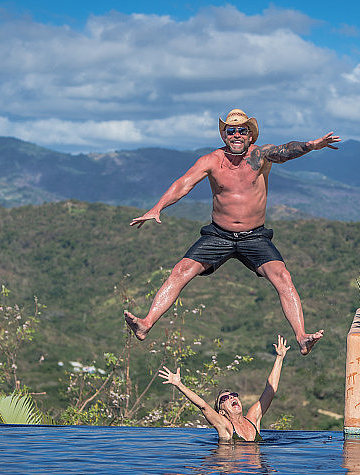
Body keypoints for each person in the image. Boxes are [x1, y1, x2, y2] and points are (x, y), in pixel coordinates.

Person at [125, 108, 340, 356]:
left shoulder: (260, 155)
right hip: (219, 234)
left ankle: (301, 337)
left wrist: (312, 145)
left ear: (251, 136)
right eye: (231, 130)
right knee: (181, 270)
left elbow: (284, 151)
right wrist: (157, 208)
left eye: (242, 130)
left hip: (254, 235)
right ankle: (146, 324)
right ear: (225, 135)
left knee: (282, 276)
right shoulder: (211, 161)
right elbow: (183, 184)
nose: (237, 134)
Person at [158, 334, 290, 442]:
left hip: (253, 471)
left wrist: (279, 358)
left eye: (233, 395)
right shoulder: (224, 426)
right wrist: (179, 385)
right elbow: (203, 406)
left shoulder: (253, 419)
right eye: (225, 398)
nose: (232, 397)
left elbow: (270, 390)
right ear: (221, 412)